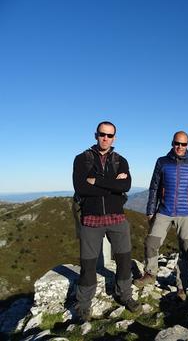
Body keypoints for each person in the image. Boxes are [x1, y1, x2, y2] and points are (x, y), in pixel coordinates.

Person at [72, 121, 140, 322]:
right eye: (102, 134)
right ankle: (84, 305)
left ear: (114, 138)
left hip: (117, 218)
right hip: (90, 218)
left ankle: (124, 295)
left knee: (125, 260)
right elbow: (81, 187)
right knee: (88, 264)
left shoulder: (121, 160)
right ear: (96, 135)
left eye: (110, 135)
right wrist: (113, 185)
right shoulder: (81, 159)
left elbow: (126, 185)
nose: (105, 138)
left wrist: (98, 181)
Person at [134, 131, 188, 301]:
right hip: (164, 210)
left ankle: (181, 286)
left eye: (183, 144)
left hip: (186, 213)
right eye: (177, 143)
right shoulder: (162, 162)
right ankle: (150, 274)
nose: (179, 147)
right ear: (172, 143)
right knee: (151, 243)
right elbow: (154, 187)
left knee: (185, 250)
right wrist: (150, 210)